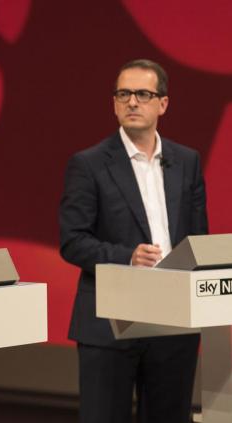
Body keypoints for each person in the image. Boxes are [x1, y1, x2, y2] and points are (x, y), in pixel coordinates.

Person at [60, 59, 208, 423]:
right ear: (114, 103)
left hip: (172, 321)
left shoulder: (186, 161)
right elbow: (72, 240)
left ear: (163, 103)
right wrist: (127, 257)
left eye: (143, 94)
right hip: (110, 322)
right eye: (123, 94)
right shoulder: (89, 164)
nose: (132, 102)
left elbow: (198, 240)